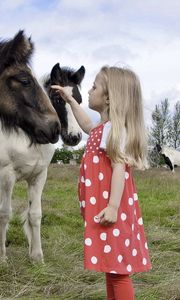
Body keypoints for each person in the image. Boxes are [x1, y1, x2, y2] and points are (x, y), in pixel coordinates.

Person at [51, 66, 152, 300]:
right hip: (107, 208)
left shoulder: (114, 131)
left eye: (94, 86)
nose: (89, 89)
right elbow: (87, 125)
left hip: (112, 210)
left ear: (108, 98)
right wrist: (70, 100)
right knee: (111, 267)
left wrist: (113, 206)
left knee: (118, 271)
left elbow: (118, 167)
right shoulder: (102, 129)